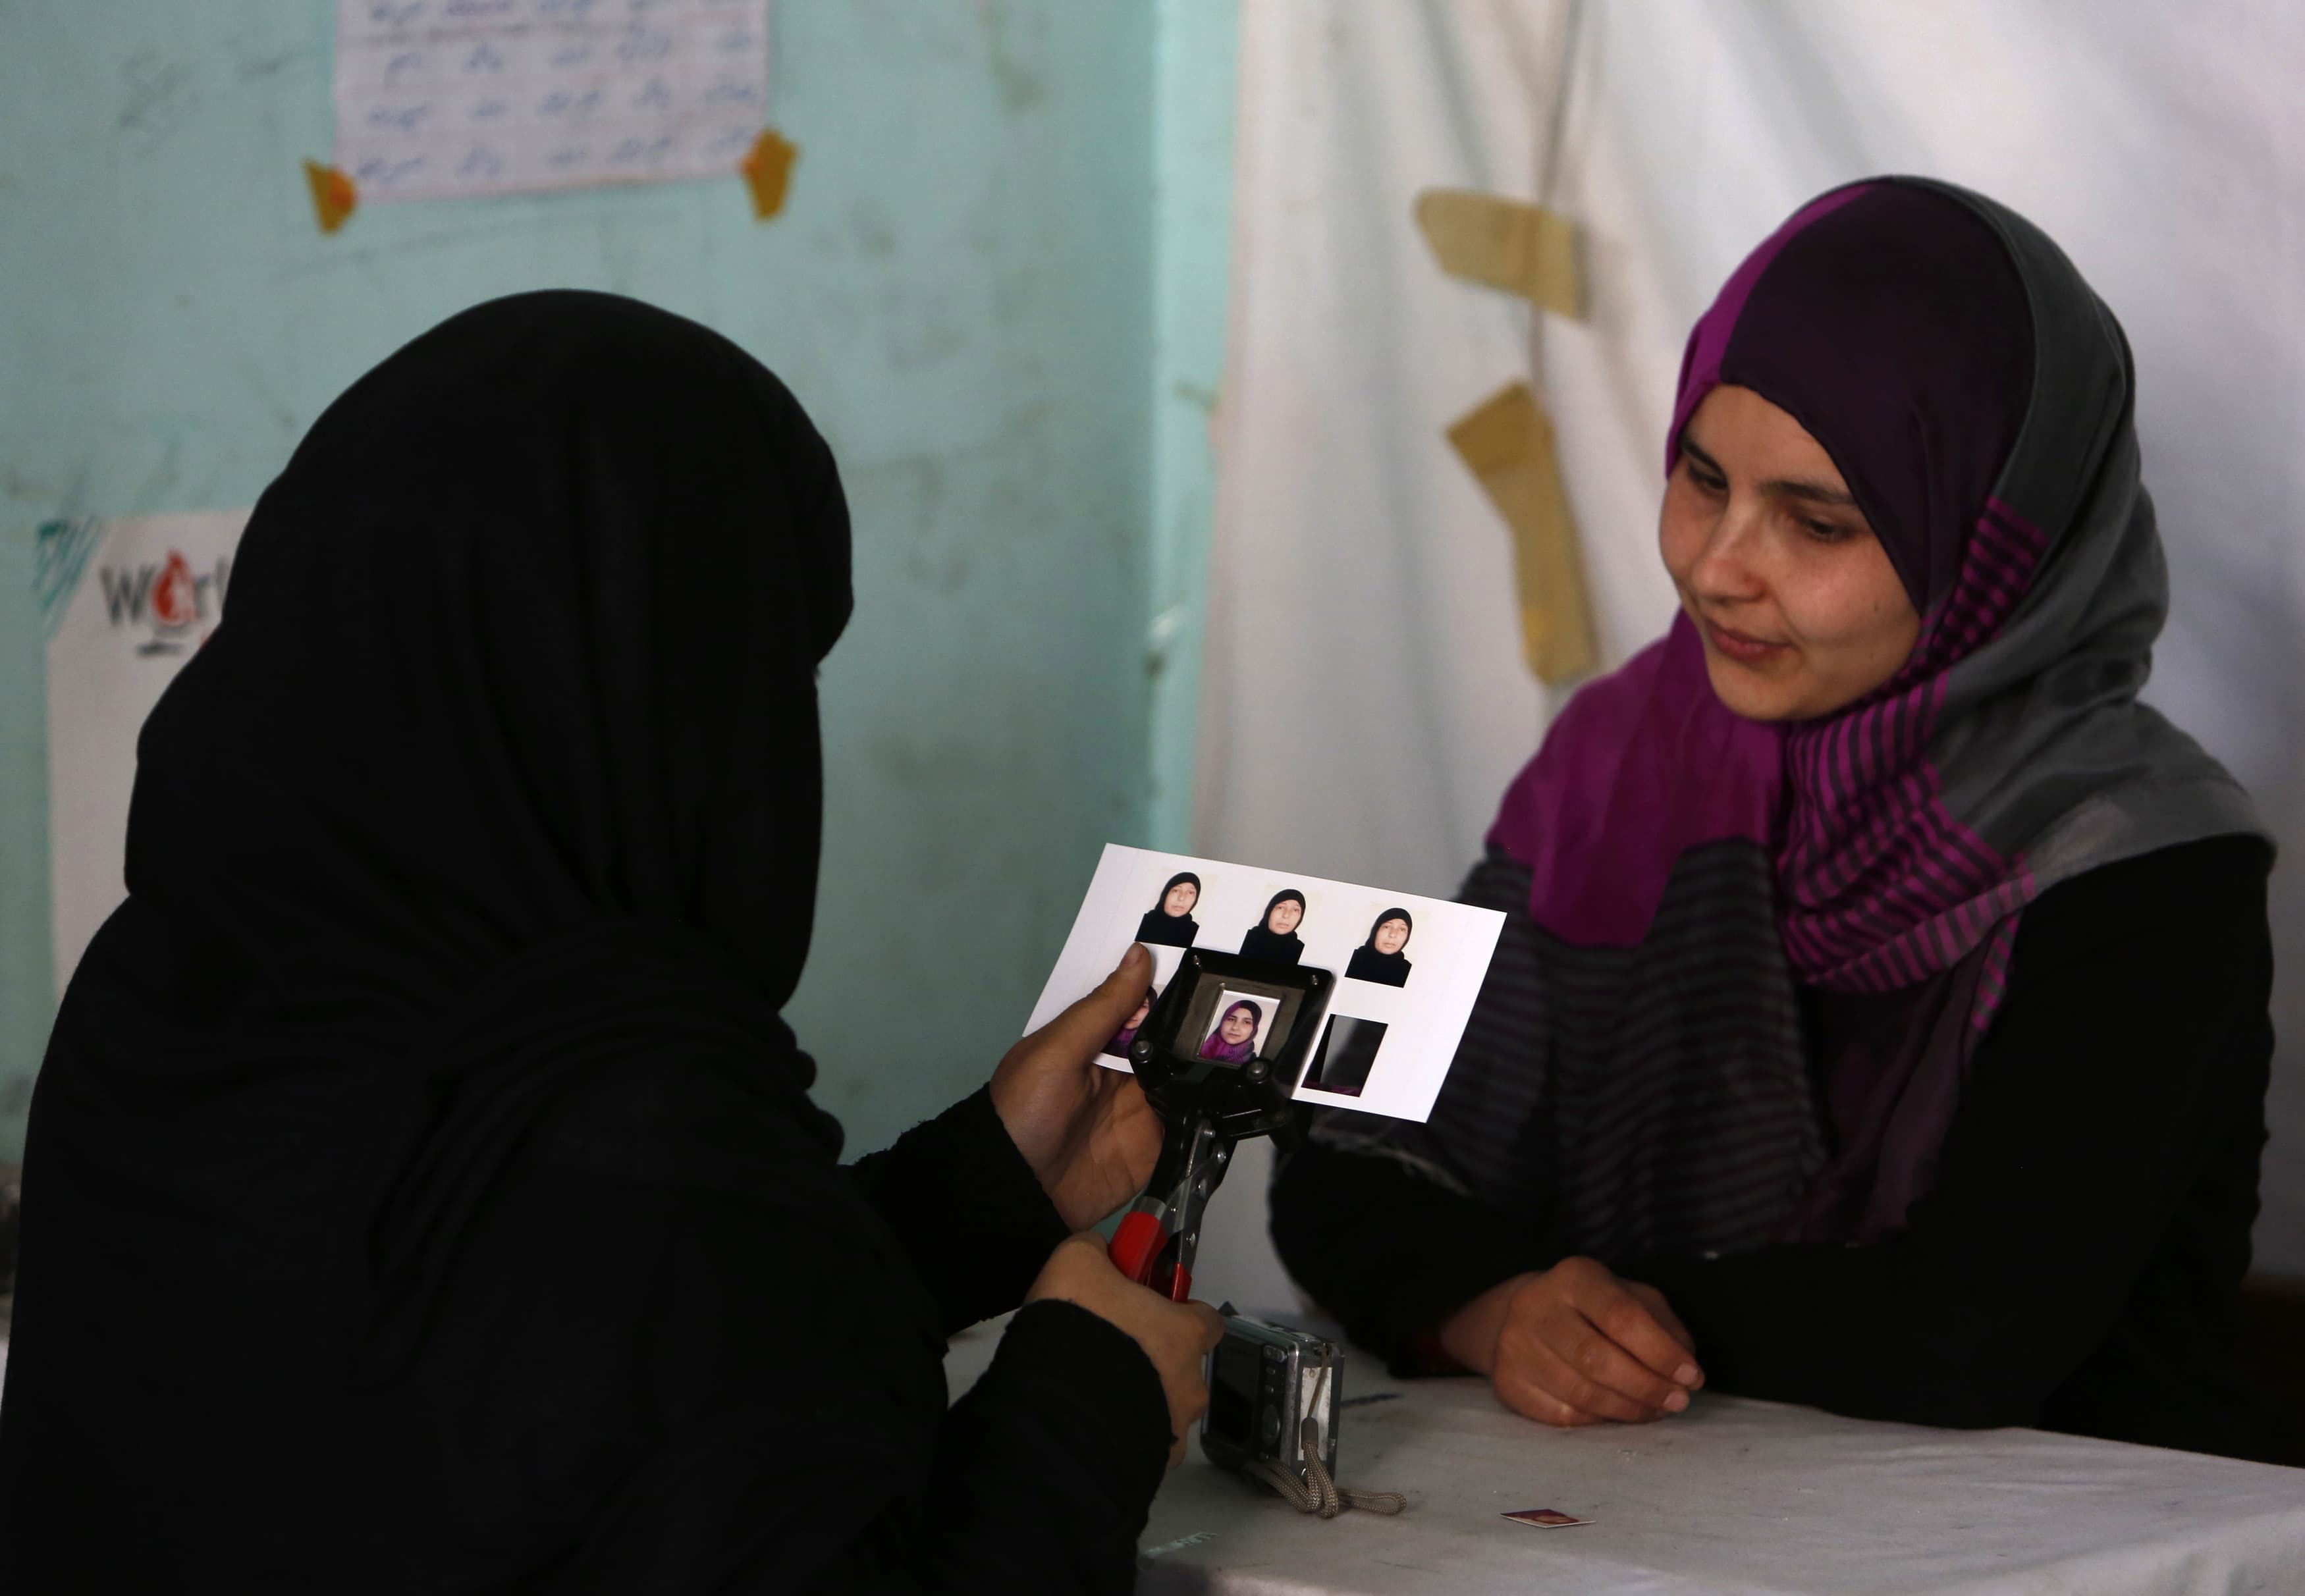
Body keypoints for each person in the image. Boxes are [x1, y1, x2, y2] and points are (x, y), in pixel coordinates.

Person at [0, 292, 1226, 1590]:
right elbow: (655, 1329)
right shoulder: (631, 1136)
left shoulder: (157, 1016)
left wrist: (980, 1190)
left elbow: (574, 1380)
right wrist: (1084, 1411)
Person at [1271, 178, 2290, 1464]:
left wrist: (1599, 1311)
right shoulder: (1617, 766)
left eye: (1817, 521)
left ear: (1994, 548)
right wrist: (1498, 1310)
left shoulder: (2138, 865)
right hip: (1638, 1530)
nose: (1714, 565)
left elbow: (1974, 1327)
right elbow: (1346, 1155)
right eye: (1702, 478)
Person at [1344, 909, 1414, 987]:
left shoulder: (1410, 972)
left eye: (1402, 929)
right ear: (1376, 931)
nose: (1393, 935)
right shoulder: (1349, 958)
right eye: (1387, 927)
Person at [1239, 889, 1307, 965]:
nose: (1286, 915)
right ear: (1269, 911)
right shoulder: (1244, 938)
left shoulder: (1302, 951)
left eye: (1295, 910)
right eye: (1280, 908)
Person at [1135, 872, 1201, 947]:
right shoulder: (1142, 922)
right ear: (1165, 894)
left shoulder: (1196, 933)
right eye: (1176, 890)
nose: (1181, 898)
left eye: (1190, 893)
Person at [1199, 1001, 1262, 1065]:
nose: (1235, 1027)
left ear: (1254, 1029)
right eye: (1231, 1019)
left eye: (1246, 1022)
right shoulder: (1197, 1049)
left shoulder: (1255, 1065)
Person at [1102, 986, 1156, 1060]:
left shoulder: (1155, 1042)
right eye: (1128, 1004)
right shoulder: (1101, 1034)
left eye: (1143, 1006)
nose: (1133, 1011)